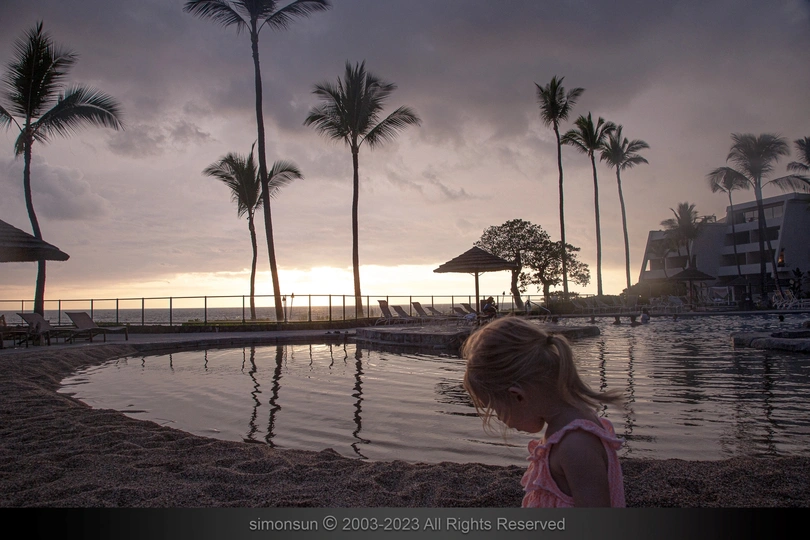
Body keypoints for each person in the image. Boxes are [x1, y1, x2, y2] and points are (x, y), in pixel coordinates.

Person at [462, 317, 625, 507]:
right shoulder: (566, 429)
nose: (499, 417)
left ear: (518, 396)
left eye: (495, 408)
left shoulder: (575, 445)